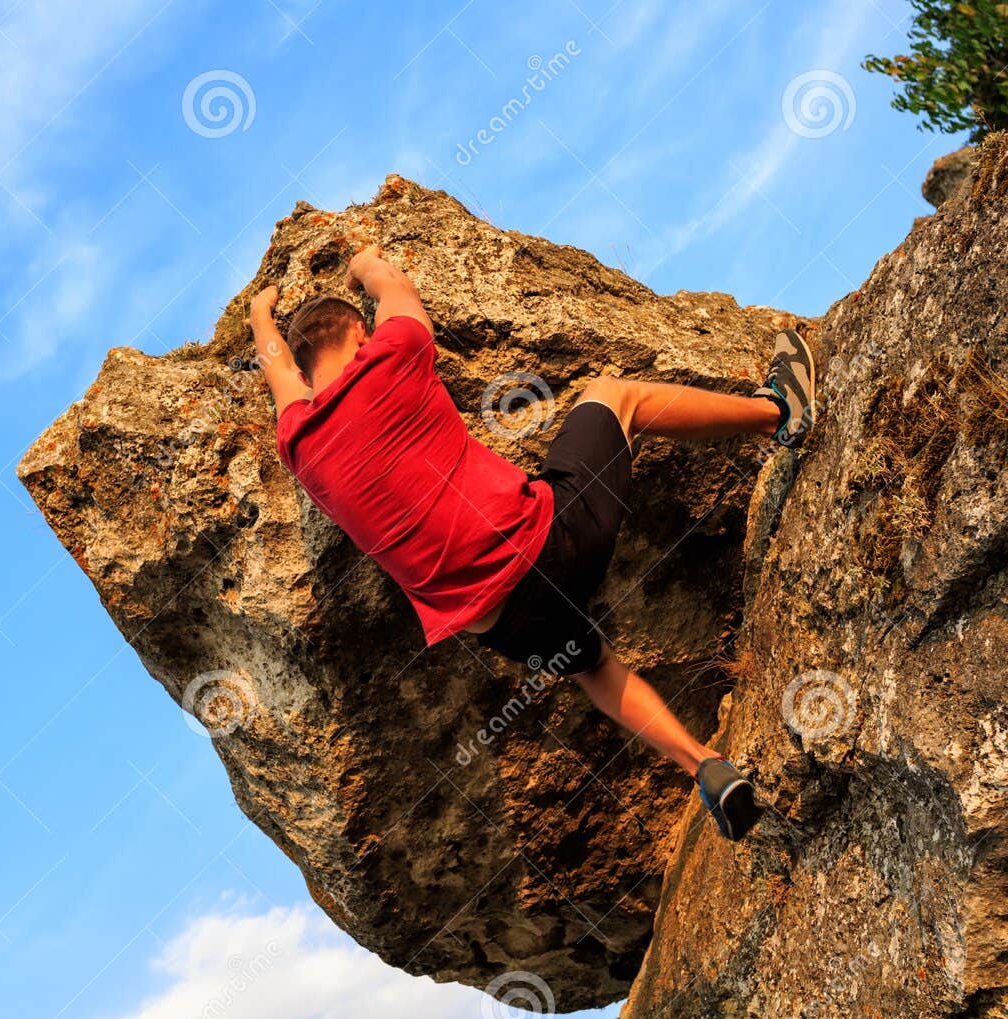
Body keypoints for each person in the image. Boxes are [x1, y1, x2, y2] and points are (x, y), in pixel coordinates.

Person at [247, 245, 815, 840]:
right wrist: (364, 260)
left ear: (308, 374)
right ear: (361, 334)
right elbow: (389, 285)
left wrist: (263, 316)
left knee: (592, 667)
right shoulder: (393, 354)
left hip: (506, 628)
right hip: (555, 542)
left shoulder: (300, 442)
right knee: (615, 396)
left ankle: (704, 765)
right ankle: (778, 411)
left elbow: (276, 369)